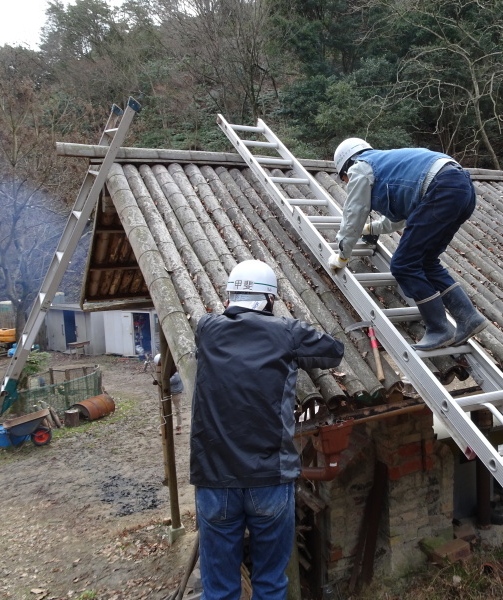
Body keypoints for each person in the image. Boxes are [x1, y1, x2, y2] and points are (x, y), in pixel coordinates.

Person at [190, 259, 344, 600]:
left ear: (229, 298)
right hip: (269, 479)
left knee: (217, 589)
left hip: (214, 480)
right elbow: (334, 352)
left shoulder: (206, 328)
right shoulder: (286, 333)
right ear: (270, 300)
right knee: (271, 585)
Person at [328, 139, 487, 350]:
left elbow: (354, 213)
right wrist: (371, 228)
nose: (348, 184)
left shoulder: (361, 167)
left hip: (442, 188)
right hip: (460, 188)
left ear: (347, 166)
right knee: (426, 261)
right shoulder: (390, 165)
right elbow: (402, 216)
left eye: (345, 179)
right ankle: (468, 318)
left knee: (404, 264)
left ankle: (439, 328)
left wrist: (342, 254)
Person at [154, 354, 185, 434]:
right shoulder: (164, 369)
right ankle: (164, 427)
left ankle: (179, 426)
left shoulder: (176, 369)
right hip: (166, 391)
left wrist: (160, 382)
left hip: (176, 392)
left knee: (177, 409)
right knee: (163, 409)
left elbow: (171, 380)